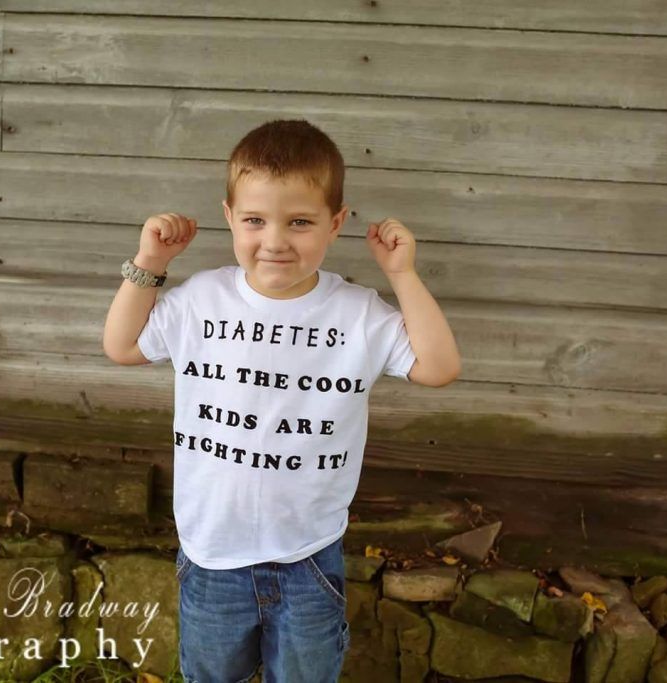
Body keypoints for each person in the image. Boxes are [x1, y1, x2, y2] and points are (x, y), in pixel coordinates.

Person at [102, 119, 461, 682]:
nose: (274, 241)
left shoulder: (357, 314)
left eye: (299, 222)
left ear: (336, 223)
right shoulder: (202, 299)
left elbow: (439, 367)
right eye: (254, 220)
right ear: (229, 217)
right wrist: (149, 263)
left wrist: (403, 274)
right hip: (211, 553)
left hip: (307, 556)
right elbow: (122, 346)